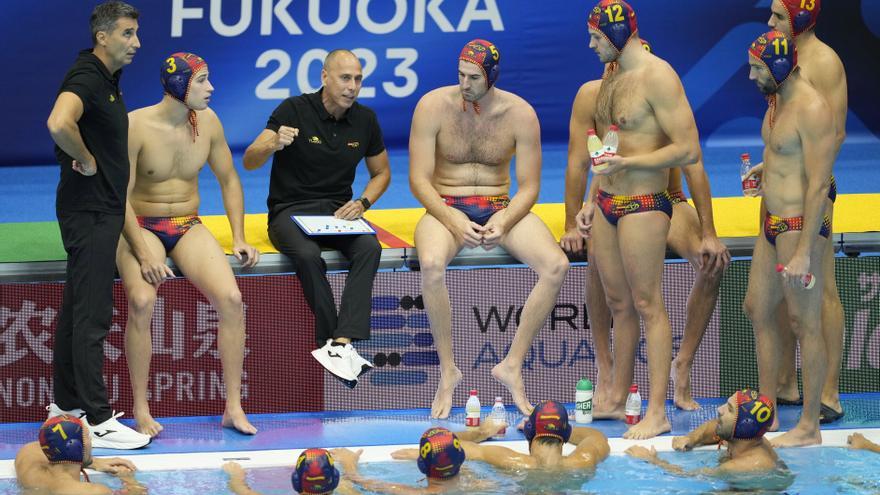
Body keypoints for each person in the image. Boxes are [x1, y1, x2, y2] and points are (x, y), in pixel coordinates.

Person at [562, 39, 728, 412]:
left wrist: (709, 231)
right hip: (613, 202)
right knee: (605, 278)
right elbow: (599, 162)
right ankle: (608, 376)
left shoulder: (655, 88)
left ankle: (681, 367)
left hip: (664, 199)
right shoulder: (599, 97)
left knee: (706, 268)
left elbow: (693, 163)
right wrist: (583, 211)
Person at [409, 39, 570, 418]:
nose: (464, 84)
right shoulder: (432, 106)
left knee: (557, 266)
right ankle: (448, 369)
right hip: (445, 205)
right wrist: (452, 218)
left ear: (492, 78)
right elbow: (418, 181)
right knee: (431, 265)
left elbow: (529, 186)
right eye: (460, 75)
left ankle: (511, 364)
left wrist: (505, 218)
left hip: (499, 205)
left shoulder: (521, 114)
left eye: (474, 78)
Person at [576, 0, 706, 438]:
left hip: (646, 203)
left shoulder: (658, 76)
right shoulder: (612, 82)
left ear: (614, 35)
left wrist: (631, 161)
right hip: (609, 204)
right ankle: (615, 397)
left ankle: (656, 411)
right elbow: (607, 149)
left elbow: (688, 149)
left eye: (596, 37)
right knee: (619, 304)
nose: (591, 45)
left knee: (649, 304)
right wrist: (591, 199)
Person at [115, 52, 259, 436]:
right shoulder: (135, 126)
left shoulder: (208, 123)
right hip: (140, 224)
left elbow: (229, 179)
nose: (211, 88)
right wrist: (143, 254)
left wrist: (240, 236)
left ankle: (232, 406)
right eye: (202, 81)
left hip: (187, 224)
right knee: (143, 300)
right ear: (180, 85)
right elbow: (118, 197)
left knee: (231, 301)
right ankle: (141, 408)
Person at [243, 50, 391, 386]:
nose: (352, 86)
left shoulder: (365, 120)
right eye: (345, 78)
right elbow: (250, 160)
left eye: (357, 79)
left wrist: (363, 202)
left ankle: (341, 342)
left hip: (337, 211)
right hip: (289, 210)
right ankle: (330, 340)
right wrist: (273, 144)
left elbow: (382, 173)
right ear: (325, 77)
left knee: (369, 248)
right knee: (308, 255)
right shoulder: (292, 110)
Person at [45, 0, 150, 449]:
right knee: (92, 317)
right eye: (127, 34)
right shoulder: (87, 75)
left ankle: (65, 407)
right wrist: (83, 158)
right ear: (103, 37)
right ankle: (97, 417)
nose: (136, 43)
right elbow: (57, 122)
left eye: (136, 34)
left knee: (75, 311)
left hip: (99, 209)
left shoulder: (106, 78)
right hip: (88, 211)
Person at [742, 30, 836, 447]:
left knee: (803, 322)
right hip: (772, 220)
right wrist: (765, 170)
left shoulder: (813, 109)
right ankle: (768, 410)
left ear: (779, 68)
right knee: (757, 308)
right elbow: (783, 151)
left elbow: (818, 185)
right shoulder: (776, 100)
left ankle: (810, 426)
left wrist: (802, 252)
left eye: (757, 68)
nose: (750, 76)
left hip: (801, 225)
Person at [761, 0, 846, 424]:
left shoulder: (823, 62)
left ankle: (828, 391)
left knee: (821, 291)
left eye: (778, 16)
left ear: (798, 18)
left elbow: (835, 134)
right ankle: (786, 383)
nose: (770, 22)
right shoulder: (778, 60)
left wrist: (810, 190)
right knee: (779, 299)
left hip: (811, 196)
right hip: (782, 195)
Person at [394, 401, 609, 473]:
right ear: (566, 435)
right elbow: (597, 437)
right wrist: (561, 429)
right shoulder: (583, 460)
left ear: (529, 432)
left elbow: (445, 443)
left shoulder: (509, 460)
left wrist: (480, 433)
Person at [628, 389, 785, 476]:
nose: (719, 409)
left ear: (744, 425)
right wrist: (691, 438)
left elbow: (690, 476)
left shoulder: (744, 465)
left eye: (729, 409)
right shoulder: (747, 439)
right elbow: (714, 426)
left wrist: (652, 460)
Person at [333, 426, 497, 494]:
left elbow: (361, 481)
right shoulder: (483, 485)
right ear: (462, 459)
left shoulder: (408, 492)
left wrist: (349, 462)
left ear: (421, 465)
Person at [15, 415, 146, 494]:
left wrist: (94, 462)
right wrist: (129, 479)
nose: (91, 442)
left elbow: (32, 447)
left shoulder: (29, 473)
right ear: (76, 447)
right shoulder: (95, 491)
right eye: (88, 437)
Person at [224, 448, 361, 495]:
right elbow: (377, 486)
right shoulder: (346, 489)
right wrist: (350, 464)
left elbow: (241, 490)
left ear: (296, 481)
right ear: (335, 479)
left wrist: (236, 474)